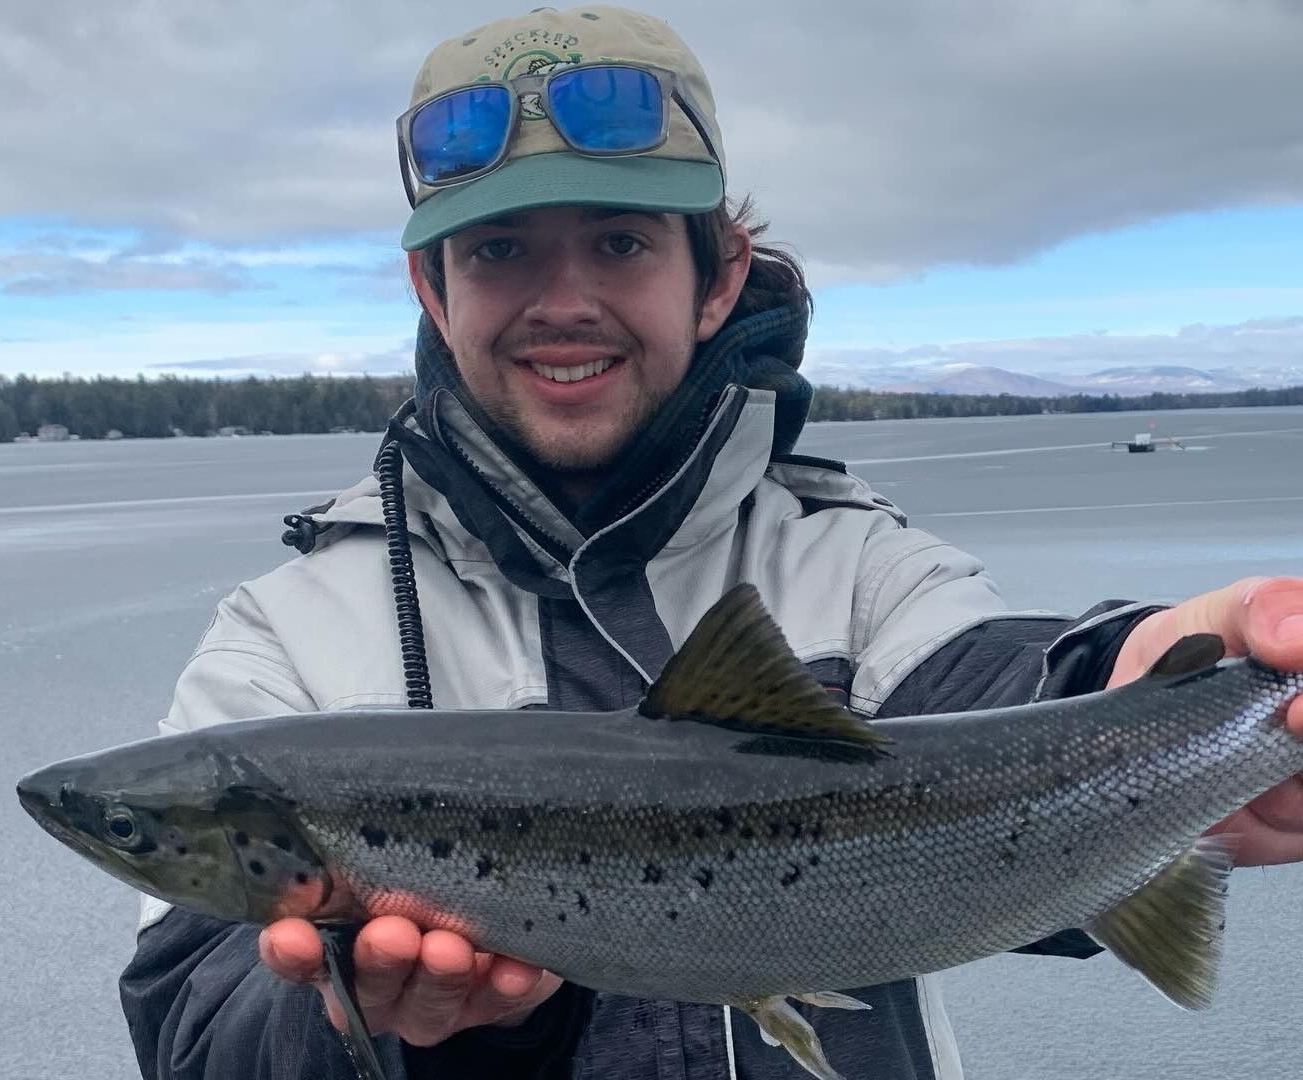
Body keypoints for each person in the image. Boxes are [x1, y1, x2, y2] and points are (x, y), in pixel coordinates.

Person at [118, 6, 1303, 1078]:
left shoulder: (854, 567)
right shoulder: (284, 639)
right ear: (434, 288)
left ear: (719, 274)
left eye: (621, 243)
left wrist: (1142, 678)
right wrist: (372, 1030)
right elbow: (194, 1037)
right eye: (500, 249)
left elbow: (997, 688)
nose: (564, 300)